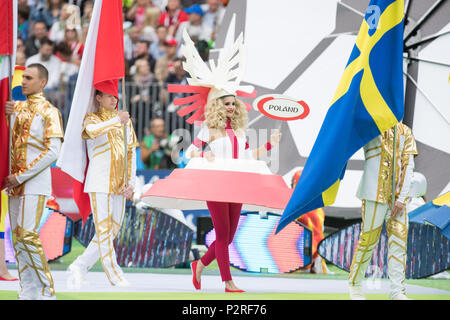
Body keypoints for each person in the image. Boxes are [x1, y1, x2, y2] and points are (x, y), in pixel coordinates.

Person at [141, 31, 292, 293]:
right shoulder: (209, 130)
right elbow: (187, 154)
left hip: (237, 185)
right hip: (216, 185)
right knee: (223, 236)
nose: (232, 107)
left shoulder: (239, 132)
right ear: (217, 105)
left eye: (234, 103)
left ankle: (199, 265)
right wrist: (205, 154)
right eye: (227, 103)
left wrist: (270, 144)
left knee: (229, 236)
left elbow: (248, 157)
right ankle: (227, 282)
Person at [3, 63, 64, 299]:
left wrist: (20, 175)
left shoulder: (50, 112)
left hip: (34, 183)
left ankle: (47, 289)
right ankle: (28, 289)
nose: (23, 81)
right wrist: (7, 110)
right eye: (23, 77)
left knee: (28, 235)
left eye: (29, 78)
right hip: (14, 184)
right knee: (19, 239)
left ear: (43, 82)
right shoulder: (17, 108)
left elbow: (53, 152)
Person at [66, 89, 138, 288]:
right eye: (109, 96)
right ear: (98, 97)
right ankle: (115, 275)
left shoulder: (125, 121)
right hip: (100, 181)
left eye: (116, 96)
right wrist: (118, 120)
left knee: (111, 231)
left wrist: (132, 183)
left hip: (120, 184)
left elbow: (131, 153)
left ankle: (79, 266)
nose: (114, 99)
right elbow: (91, 132)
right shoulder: (91, 119)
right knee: (104, 230)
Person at [348, 122, 418, 300]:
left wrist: (402, 198)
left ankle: (397, 292)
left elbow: (408, 164)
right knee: (368, 241)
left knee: (399, 244)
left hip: (398, 199)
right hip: (374, 194)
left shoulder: (405, 131)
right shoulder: (371, 126)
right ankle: (355, 285)